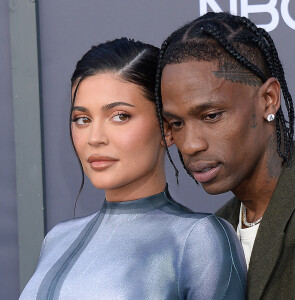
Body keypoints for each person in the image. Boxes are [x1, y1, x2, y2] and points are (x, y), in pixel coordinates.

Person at [19, 38, 246, 299]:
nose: (95, 138)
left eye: (120, 116)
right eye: (82, 119)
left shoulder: (198, 239)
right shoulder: (57, 240)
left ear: (166, 129)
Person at [156, 12, 295, 300]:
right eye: (177, 123)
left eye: (211, 116)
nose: (190, 145)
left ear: (268, 99)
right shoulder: (217, 233)